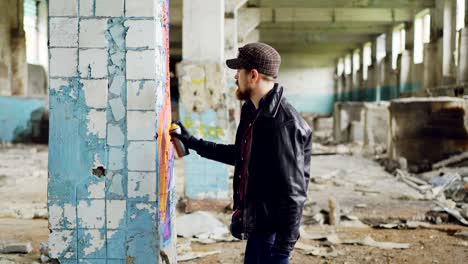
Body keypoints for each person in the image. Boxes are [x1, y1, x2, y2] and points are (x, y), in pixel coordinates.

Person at [171, 42, 312, 264]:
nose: (235, 77)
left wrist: (283, 251)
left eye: (239, 72)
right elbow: (241, 155)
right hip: (259, 228)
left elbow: (293, 194)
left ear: (253, 75)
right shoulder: (253, 112)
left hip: (272, 236)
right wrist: (193, 143)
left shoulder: (283, 124)